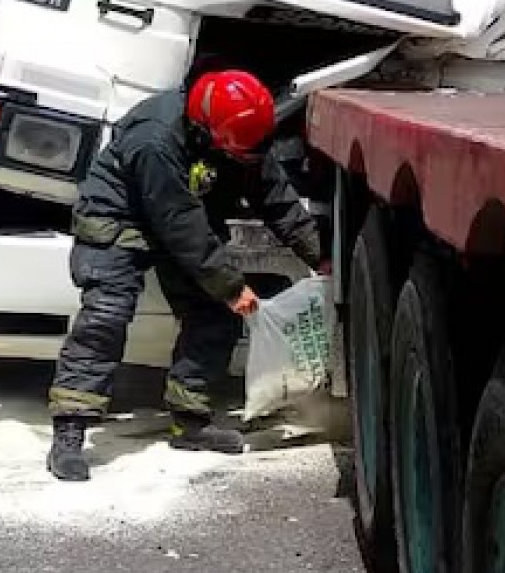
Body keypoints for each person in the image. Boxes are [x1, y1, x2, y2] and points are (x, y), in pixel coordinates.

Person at [46, 69, 326, 483]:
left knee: (213, 315)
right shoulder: (155, 140)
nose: (249, 158)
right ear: (208, 131)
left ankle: (189, 423)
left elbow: (277, 201)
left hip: (180, 214)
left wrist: (322, 257)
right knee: (106, 314)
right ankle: (69, 433)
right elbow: (179, 225)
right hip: (119, 217)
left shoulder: (241, 135)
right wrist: (231, 287)